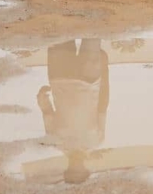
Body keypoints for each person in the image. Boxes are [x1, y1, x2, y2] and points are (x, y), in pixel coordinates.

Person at [37, 39, 110, 184]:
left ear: (67, 168)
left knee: (60, 30)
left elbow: (47, 112)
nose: (76, 167)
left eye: (72, 170)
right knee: (92, 31)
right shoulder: (96, 140)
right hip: (90, 78)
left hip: (60, 77)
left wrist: (42, 98)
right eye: (79, 170)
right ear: (85, 168)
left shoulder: (56, 142)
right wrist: (105, 69)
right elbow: (102, 105)